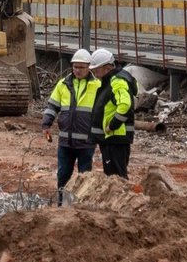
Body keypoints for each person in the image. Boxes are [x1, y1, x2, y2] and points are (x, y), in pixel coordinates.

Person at [41, 48, 100, 205]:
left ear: (89, 67)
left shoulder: (97, 85)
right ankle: (62, 204)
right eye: (75, 67)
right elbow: (52, 106)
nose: (78, 70)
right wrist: (46, 124)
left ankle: (81, 205)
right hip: (65, 141)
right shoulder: (63, 84)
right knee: (63, 175)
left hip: (86, 141)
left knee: (84, 177)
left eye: (81, 67)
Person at [88, 48, 137, 178]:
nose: (94, 73)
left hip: (116, 138)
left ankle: (122, 192)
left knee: (116, 176)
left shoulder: (117, 81)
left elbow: (125, 105)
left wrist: (112, 125)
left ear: (107, 68)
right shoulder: (110, 81)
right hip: (112, 138)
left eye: (96, 70)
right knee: (113, 174)